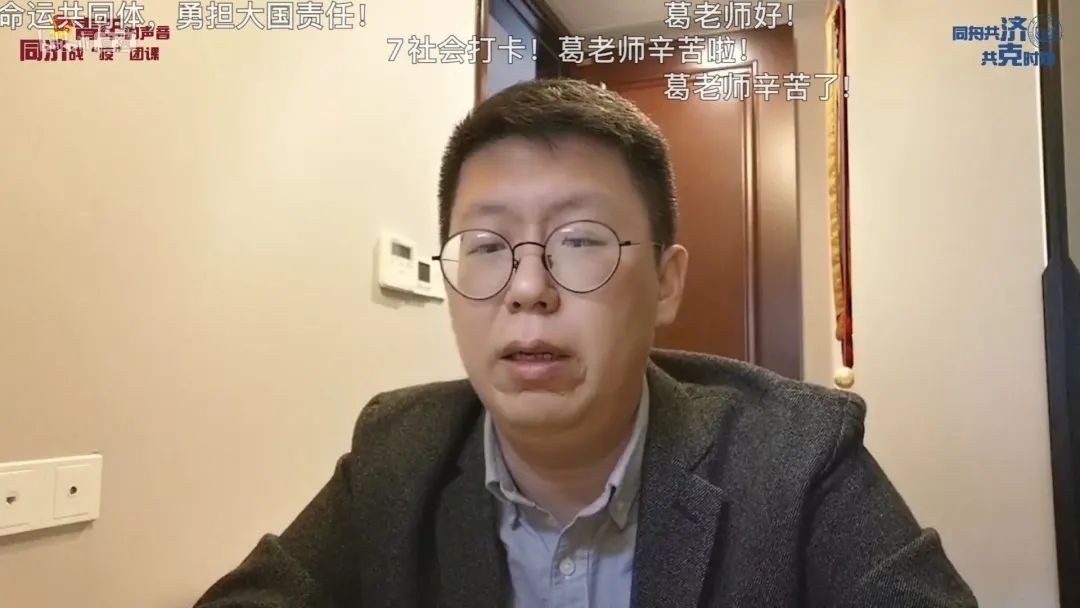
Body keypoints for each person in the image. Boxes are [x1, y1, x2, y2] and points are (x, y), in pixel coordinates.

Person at [194, 78, 978, 607]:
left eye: (578, 241)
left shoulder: (796, 455)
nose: (528, 288)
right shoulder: (398, 451)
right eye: (488, 246)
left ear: (665, 282)